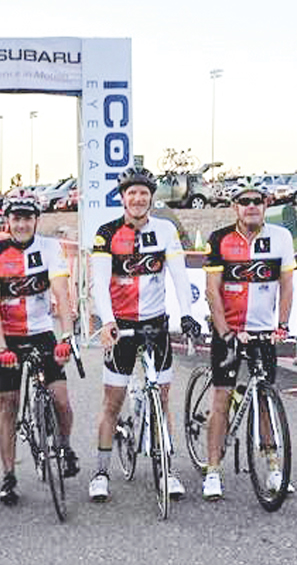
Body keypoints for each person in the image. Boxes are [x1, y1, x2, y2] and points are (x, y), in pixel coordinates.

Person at [88, 167, 201, 502]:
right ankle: (101, 471)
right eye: (131, 193)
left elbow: (179, 276)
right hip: (121, 326)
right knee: (112, 402)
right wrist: (108, 322)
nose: (137, 198)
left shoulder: (164, 230)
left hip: (155, 325)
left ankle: (166, 471)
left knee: (163, 398)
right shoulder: (106, 233)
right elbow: (100, 284)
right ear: (122, 197)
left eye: (143, 193)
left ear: (151, 197)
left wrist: (187, 315)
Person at [0, 197, 79, 506]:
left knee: (61, 399)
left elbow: (62, 295)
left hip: (42, 335)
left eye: (27, 218)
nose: (22, 224)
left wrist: (66, 338)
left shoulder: (50, 250)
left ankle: (64, 445)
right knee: (8, 404)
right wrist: (1, 347)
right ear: (7, 221)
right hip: (8, 337)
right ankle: (9, 476)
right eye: (16, 218)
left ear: (36, 220)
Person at [201, 183, 296, 500]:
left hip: (261, 332)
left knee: (265, 402)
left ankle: (273, 469)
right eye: (245, 201)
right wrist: (225, 332)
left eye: (257, 201)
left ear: (266, 205)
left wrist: (281, 326)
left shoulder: (281, 237)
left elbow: (286, 285)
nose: (251, 206)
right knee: (222, 399)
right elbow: (212, 291)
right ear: (235, 206)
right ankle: (213, 471)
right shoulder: (220, 239)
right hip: (228, 330)